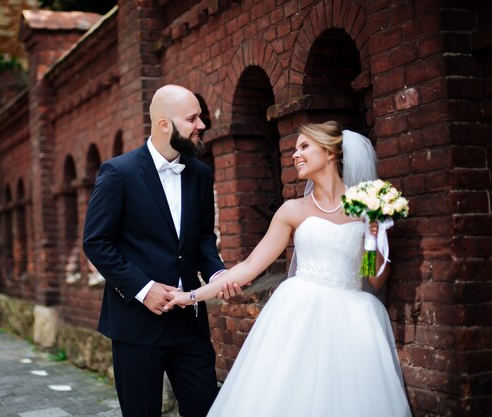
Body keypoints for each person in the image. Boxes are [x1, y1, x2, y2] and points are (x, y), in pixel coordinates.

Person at [165, 121, 413, 417]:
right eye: (295, 149)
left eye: (304, 147)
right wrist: (191, 296)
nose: (295, 155)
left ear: (331, 152)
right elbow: (248, 267)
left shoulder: (367, 206)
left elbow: (374, 278)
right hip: (298, 314)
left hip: (354, 320)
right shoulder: (292, 211)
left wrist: (372, 237)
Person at [83, 84, 241, 417]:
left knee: (205, 408)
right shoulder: (118, 173)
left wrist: (217, 273)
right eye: (193, 118)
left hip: (189, 322)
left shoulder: (200, 173)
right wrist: (143, 289)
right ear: (164, 124)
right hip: (136, 324)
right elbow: (96, 242)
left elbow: (201, 239)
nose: (201, 125)